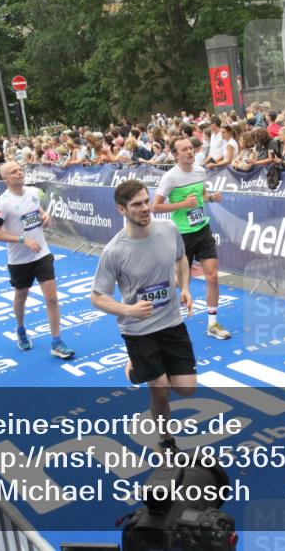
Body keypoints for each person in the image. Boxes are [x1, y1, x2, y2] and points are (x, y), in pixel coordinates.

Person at [91, 180, 196, 454]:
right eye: (136, 204)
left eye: (146, 201)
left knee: (186, 389)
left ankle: (137, 366)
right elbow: (97, 297)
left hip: (172, 322)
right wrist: (129, 310)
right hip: (137, 329)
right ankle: (166, 439)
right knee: (160, 388)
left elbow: (181, 259)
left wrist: (184, 287)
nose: (145, 208)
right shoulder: (113, 251)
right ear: (121, 209)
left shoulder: (169, 229)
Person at [0, 161, 75, 359]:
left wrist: (45, 216)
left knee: (52, 298)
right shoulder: (2, 203)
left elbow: (36, 213)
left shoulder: (34, 193)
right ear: (5, 179)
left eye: (20, 169)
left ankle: (56, 341)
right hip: (19, 260)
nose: (19, 173)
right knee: (21, 297)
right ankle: (20, 328)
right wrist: (22, 239)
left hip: (42, 253)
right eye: (13, 172)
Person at [153, 137, 231, 340]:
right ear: (175, 154)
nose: (189, 152)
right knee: (180, 282)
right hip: (181, 235)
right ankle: (161, 319)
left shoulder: (200, 171)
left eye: (191, 148)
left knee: (212, 275)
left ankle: (212, 324)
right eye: (184, 149)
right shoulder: (170, 177)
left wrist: (211, 197)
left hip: (202, 229)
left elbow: (201, 195)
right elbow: (156, 206)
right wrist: (182, 205)